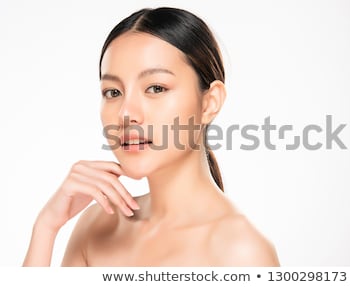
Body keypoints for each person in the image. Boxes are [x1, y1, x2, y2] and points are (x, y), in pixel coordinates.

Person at [22, 7, 280, 267]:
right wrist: (46, 227)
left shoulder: (241, 253)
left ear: (209, 103)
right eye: (112, 92)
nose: (126, 114)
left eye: (156, 88)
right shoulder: (96, 225)